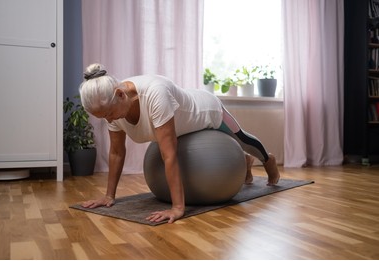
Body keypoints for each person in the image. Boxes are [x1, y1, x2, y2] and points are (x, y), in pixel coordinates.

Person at [79, 63, 280, 224]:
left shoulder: (154, 94)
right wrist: (109, 196)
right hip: (183, 119)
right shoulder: (110, 103)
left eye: (110, 114)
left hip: (206, 111)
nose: (109, 120)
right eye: (102, 117)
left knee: (242, 139)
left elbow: (169, 154)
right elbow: (116, 153)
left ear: (121, 95)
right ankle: (244, 163)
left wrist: (177, 207)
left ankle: (267, 160)